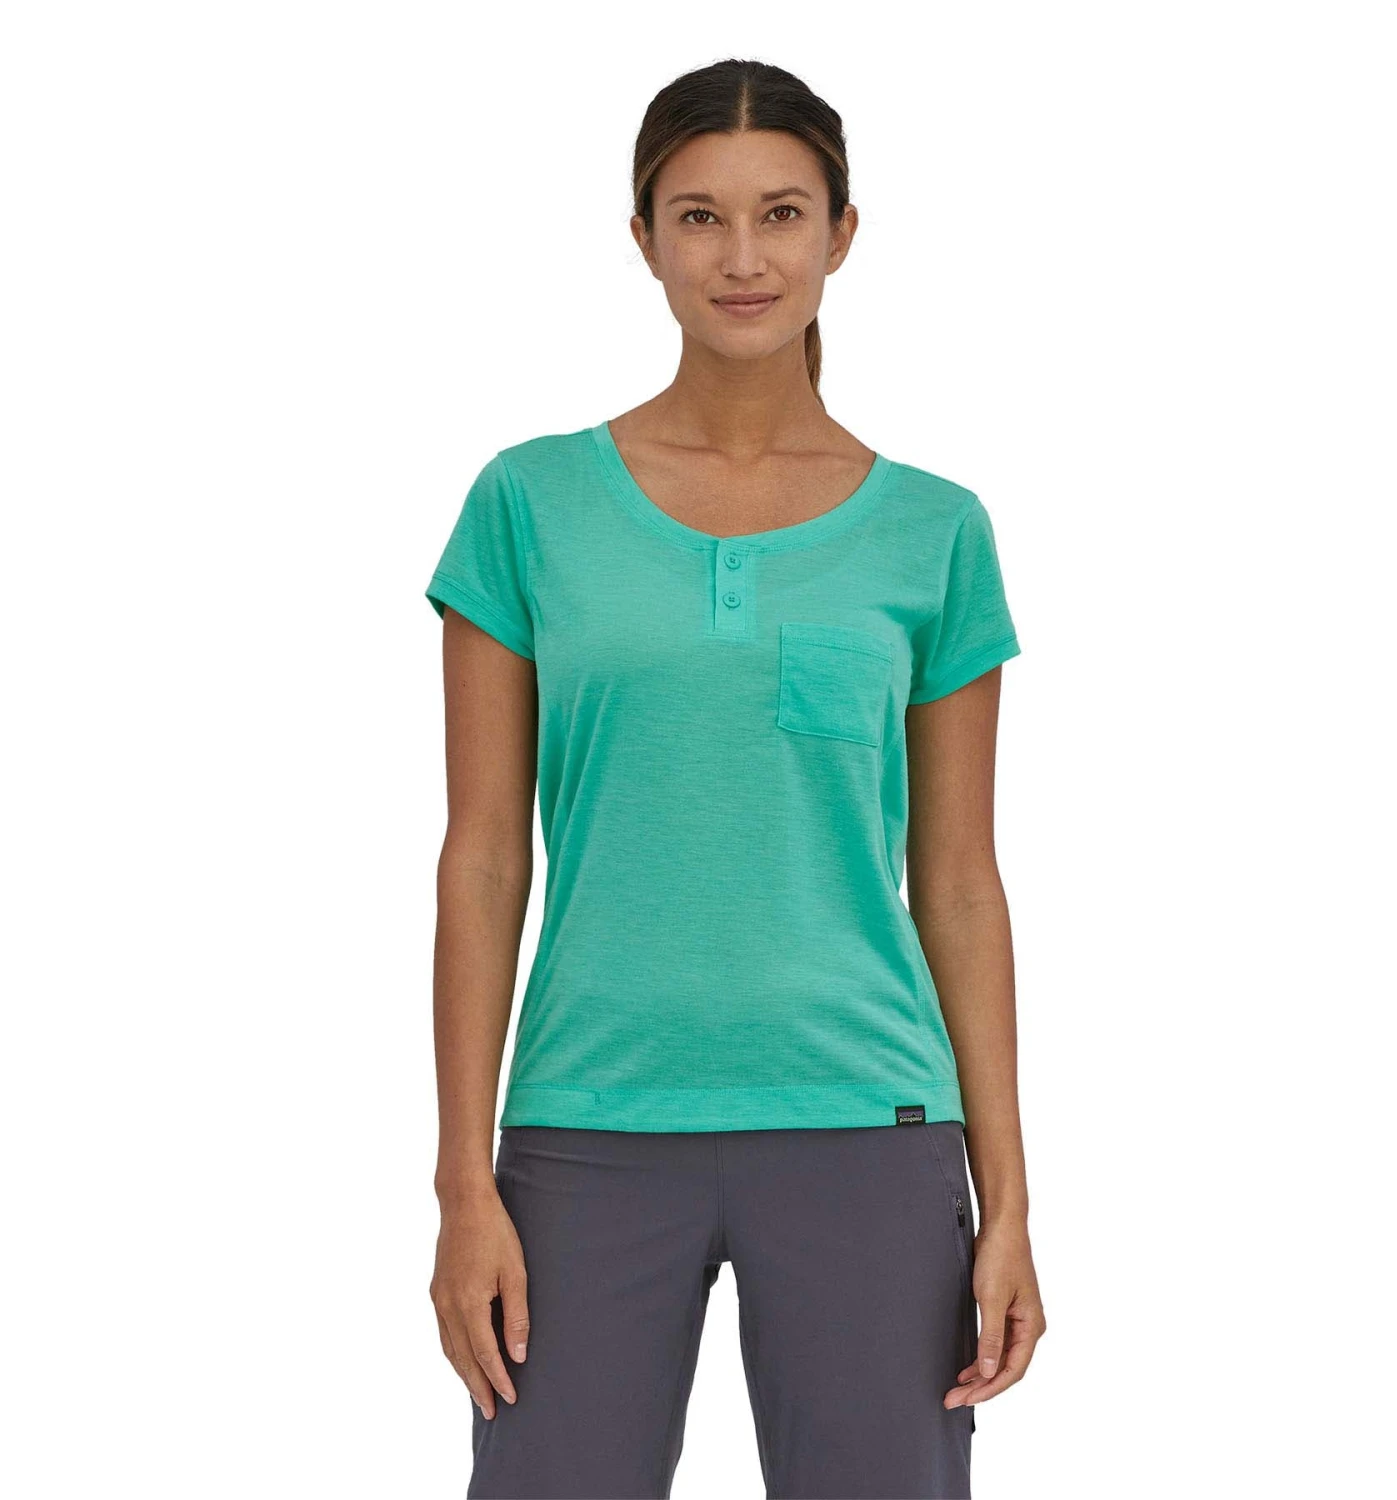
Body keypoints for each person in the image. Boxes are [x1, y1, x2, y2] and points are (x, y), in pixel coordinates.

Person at [424, 57, 1045, 1500]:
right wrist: (462, 1181)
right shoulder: (528, 504)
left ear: (842, 233)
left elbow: (959, 883)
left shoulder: (935, 532)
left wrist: (1008, 1200)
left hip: (870, 1125)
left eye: (782, 213)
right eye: (700, 217)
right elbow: (482, 858)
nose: (743, 258)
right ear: (644, 239)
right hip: (586, 1125)